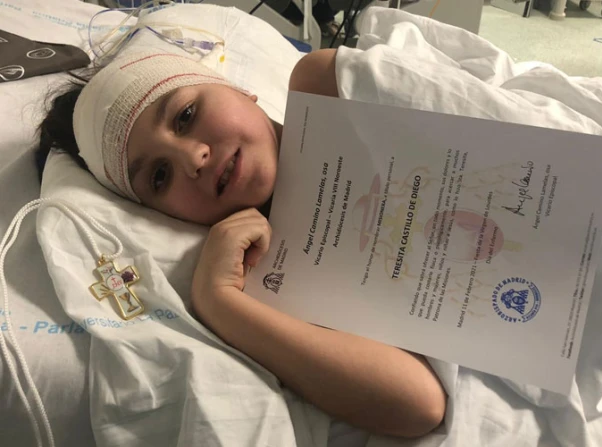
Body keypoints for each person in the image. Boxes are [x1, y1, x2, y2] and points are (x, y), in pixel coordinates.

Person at [36, 48, 447, 439]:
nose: (192, 158)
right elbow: (419, 404)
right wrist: (218, 302)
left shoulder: (325, 86)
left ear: (237, 88)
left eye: (185, 116)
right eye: (160, 176)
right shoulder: (273, 282)